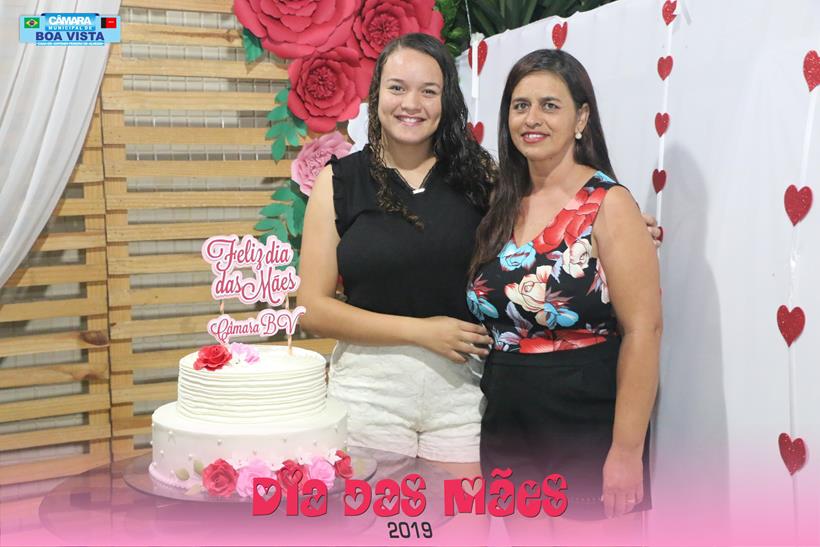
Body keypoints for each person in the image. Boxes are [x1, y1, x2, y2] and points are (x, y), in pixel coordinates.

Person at [299, 34, 661, 480]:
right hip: (370, 394)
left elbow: (543, 229)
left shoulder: (482, 180)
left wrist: (621, 229)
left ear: (447, 100)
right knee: (375, 518)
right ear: (376, 96)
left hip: (464, 396)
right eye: (397, 88)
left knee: (466, 517)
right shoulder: (338, 182)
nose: (411, 103)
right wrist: (422, 332)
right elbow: (312, 307)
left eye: (428, 91)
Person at [467, 48, 661, 531]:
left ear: (582, 118)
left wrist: (626, 450)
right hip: (508, 420)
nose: (532, 118)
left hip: (588, 423)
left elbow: (644, 332)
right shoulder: (499, 203)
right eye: (520, 105)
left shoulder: (608, 203)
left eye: (549, 105)